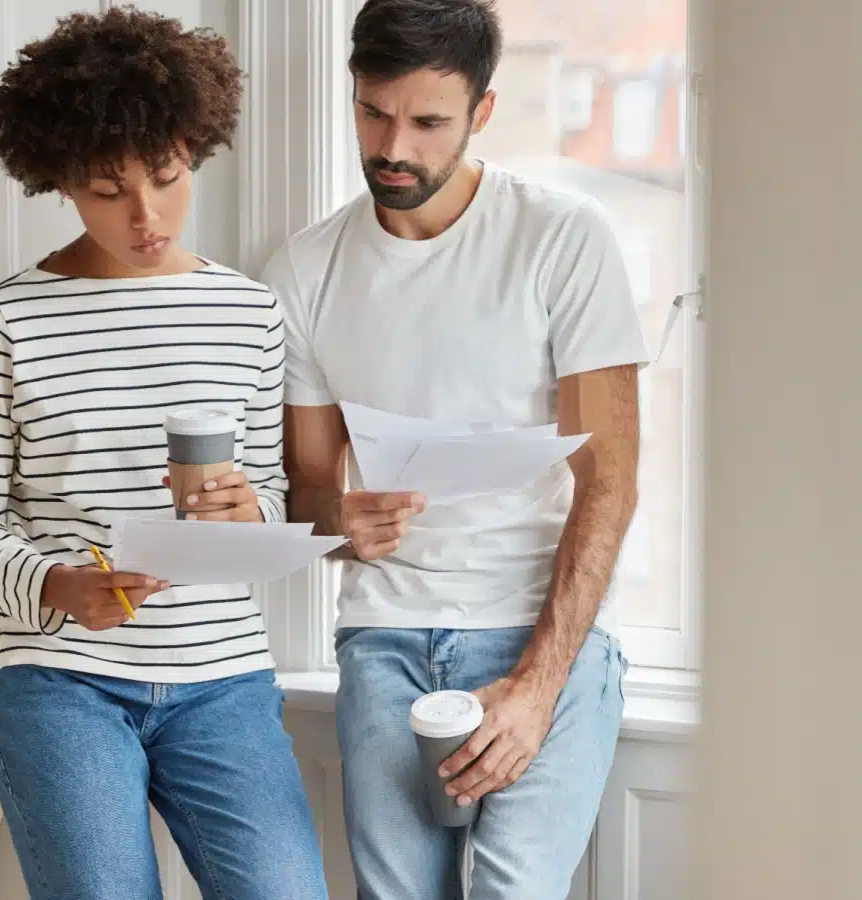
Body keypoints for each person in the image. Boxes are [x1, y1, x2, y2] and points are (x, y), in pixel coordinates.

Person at [0, 8, 326, 900]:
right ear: (62, 180)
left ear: (195, 150)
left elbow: (268, 485)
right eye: (109, 190)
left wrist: (251, 511)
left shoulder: (249, 313)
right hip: (57, 679)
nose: (146, 214)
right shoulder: (7, 320)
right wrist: (54, 586)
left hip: (221, 678)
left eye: (166, 175)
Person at [264, 0, 649, 896]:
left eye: (429, 121)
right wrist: (338, 520)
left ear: (481, 113)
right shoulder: (305, 270)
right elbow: (309, 488)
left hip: (539, 622)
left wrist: (538, 684)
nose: (393, 146)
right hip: (386, 635)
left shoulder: (561, 238)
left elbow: (612, 480)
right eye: (373, 111)